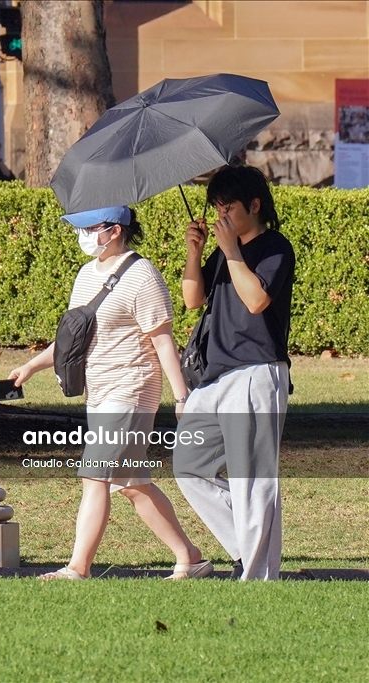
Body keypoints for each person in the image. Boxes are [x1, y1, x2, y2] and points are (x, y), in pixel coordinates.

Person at [9, 205, 210, 581]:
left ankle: (77, 567)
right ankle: (190, 557)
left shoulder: (143, 276)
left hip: (132, 388)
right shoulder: (87, 275)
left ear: (114, 230)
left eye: (89, 228)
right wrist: (32, 366)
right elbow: (73, 338)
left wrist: (182, 398)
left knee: (94, 472)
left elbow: (163, 342)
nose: (82, 235)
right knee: (131, 483)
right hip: (98, 393)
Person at [173, 165, 294, 581]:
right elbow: (192, 299)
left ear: (254, 205)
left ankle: (259, 578)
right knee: (188, 465)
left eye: (228, 207)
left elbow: (257, 299)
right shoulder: (225, 252)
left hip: (257, 371)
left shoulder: (275, 246)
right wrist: (195, 251)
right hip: (215, 376)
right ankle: (247, 548)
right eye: (216, 208)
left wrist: (230, 252)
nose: (220, 215)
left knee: (253, 478)